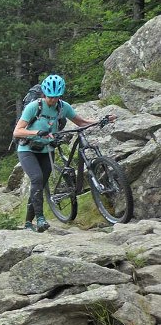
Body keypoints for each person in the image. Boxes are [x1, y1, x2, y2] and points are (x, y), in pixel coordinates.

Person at [12, 73, 110, 232]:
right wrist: (37, 133)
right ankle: (40, 219)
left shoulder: (64, 107)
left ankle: (28, 223)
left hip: (47, 150)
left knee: (40, 183)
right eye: (50, 96)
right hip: (27, 149)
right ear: (44, 94)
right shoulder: (33, 107)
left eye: (56, 97)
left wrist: (101, 120)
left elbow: (81, 122)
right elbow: (18, 131)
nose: (53, 100)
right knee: (36, 178)